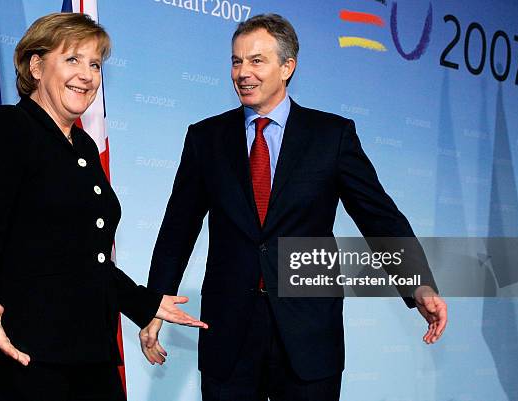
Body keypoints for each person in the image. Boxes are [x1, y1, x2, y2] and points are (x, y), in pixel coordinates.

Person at [140, 13, 447, 401]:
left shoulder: (331, 136)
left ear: (287, 67)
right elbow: (177, 230)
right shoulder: (206, 138)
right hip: (229, 334)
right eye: (236, 61)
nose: (242, 73)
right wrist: (151, 303)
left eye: (256, 61)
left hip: (309, 334)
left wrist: (418, 283)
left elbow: (378, 216)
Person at [0, 12, 206, 401]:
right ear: (36, 66)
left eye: (95, 64)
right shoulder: (9, 127)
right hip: (20, 353)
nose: (86, 75)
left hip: (87, 350)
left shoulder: (83, 147)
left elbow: (86, 258)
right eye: (72, 59)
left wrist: (145, 301)